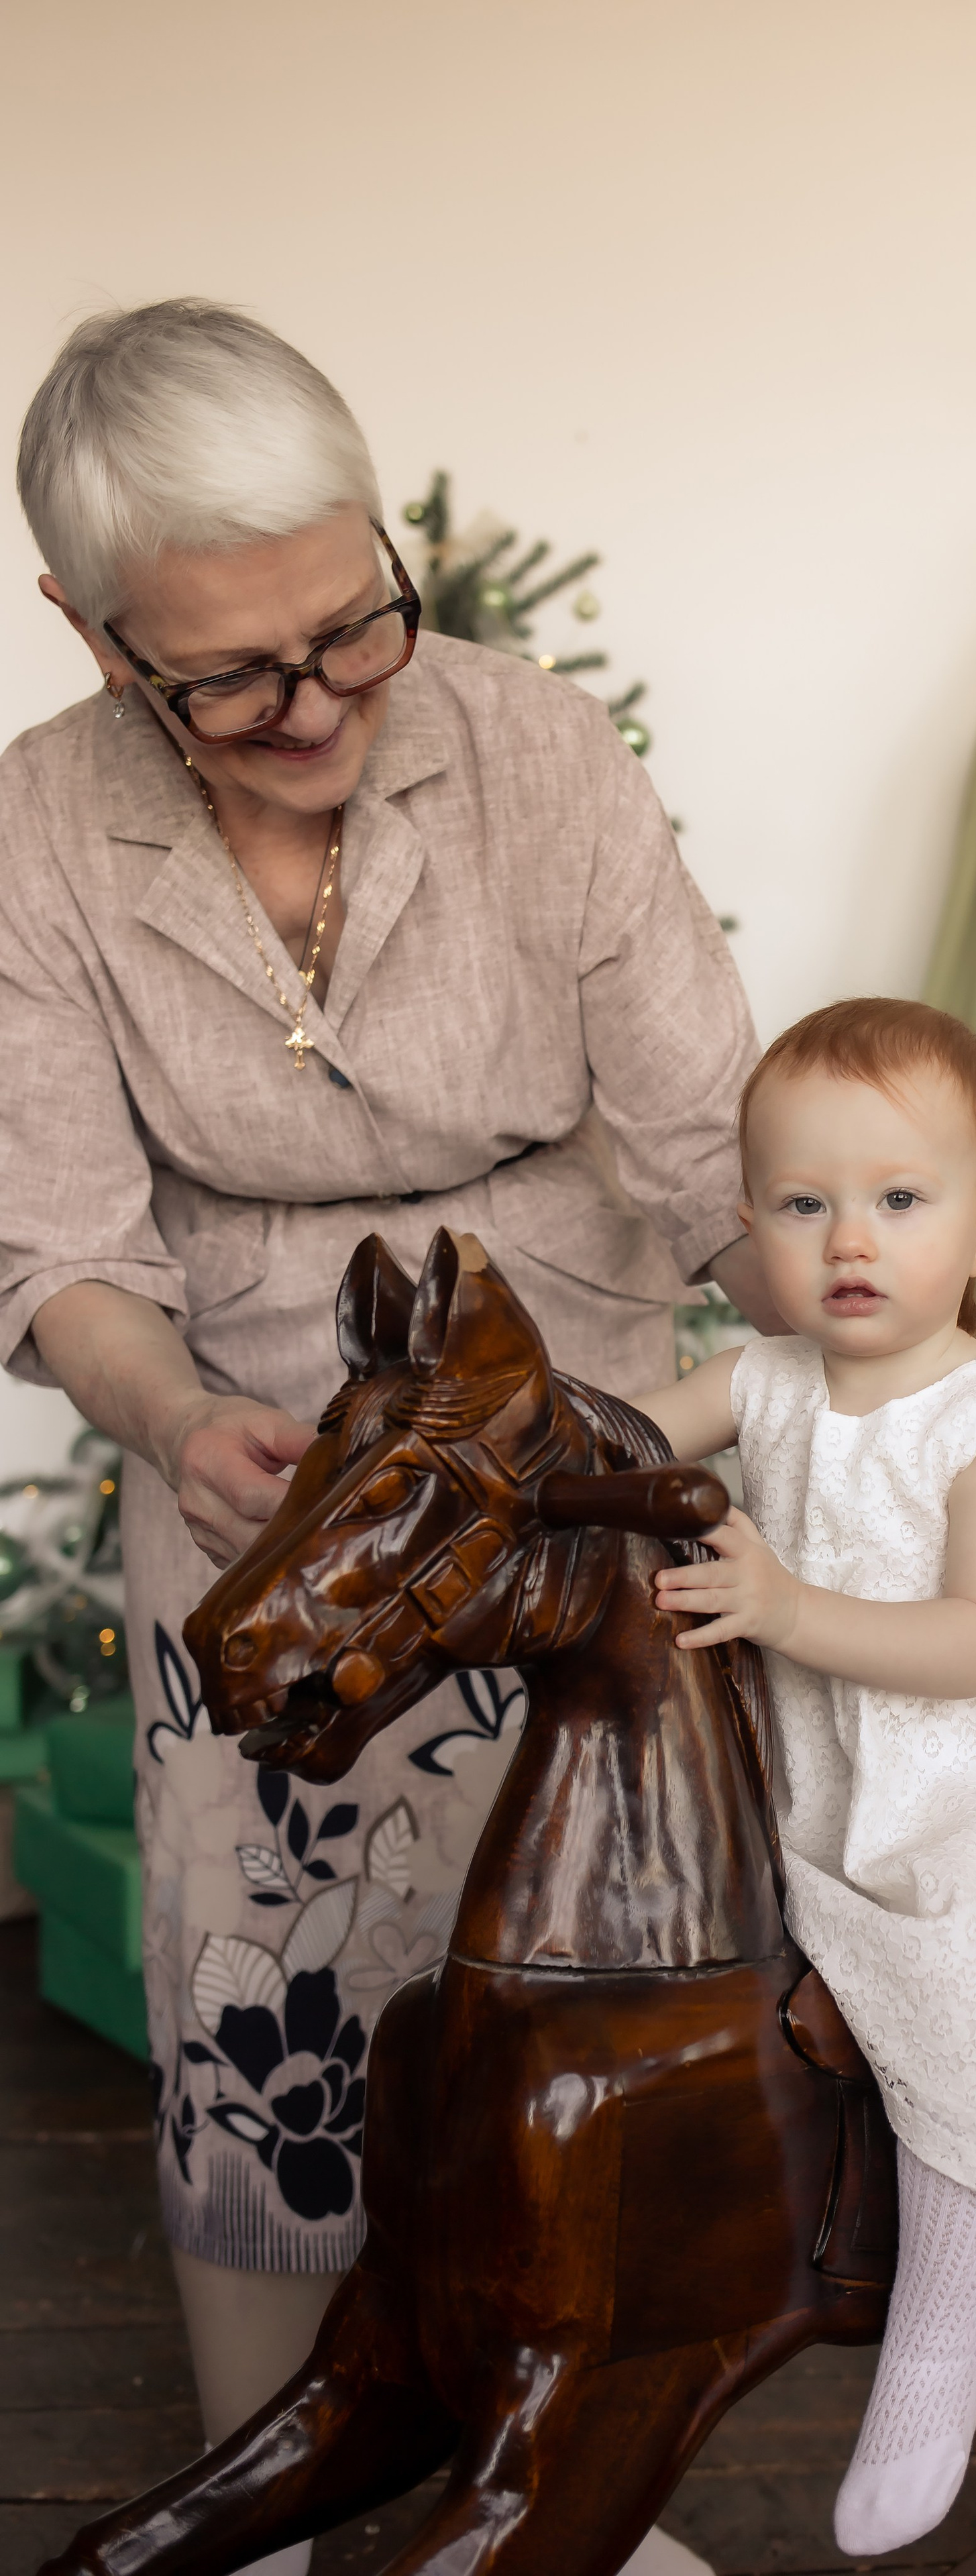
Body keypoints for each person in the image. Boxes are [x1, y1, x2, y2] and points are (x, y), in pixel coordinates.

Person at [0, 301, 781, 2516]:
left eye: (356, 624)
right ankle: (274, 2469)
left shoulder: (538, 757)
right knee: (269, 2020)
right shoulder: (39, 832)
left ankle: (575, 2479)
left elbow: (721, 1149)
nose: (323, 700)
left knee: (596, 2007)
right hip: (261, 1464)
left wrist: (889, 1323)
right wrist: (167, 1416)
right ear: (87, 632)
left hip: (572, 1421)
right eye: (232, 675)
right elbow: (53, 1244)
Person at [637, 998, 976, 2557]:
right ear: (750, 1227)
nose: (846, 1239)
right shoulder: (765, 1376)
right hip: (809, 1770)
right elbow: (601, 1447)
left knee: (966, 1992)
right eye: (802, 1206)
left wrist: (782, 1607)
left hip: (971, 1787)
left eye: (898, 1200)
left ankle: (938, 2341)